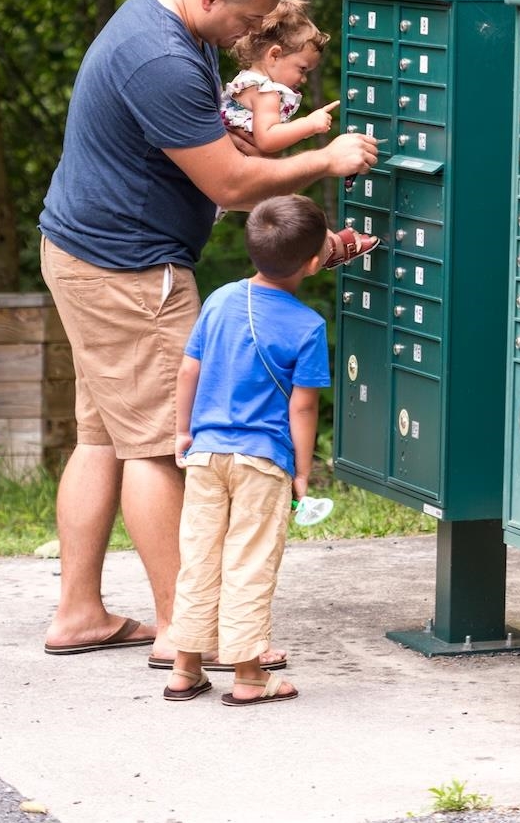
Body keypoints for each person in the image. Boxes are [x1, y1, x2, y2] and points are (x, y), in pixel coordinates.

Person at [38, 0, 378, 668]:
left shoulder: (160, 21)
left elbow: (228, 147)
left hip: (84, 254)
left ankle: (79, 612)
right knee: (167, 443)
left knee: (104, 437)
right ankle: (183, 630)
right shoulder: (161, 57)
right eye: (245, 23)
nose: (250, 39)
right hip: (127, 271)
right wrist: (326, 159)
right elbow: (226, 184)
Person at [162, 194, 329, 706]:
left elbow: (189, 369)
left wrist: (181, 431)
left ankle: (184, 668)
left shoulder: (220, 299)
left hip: (206, 453)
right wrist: (302, 471)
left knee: (200, 558)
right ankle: (250, 677)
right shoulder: (308, 327)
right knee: (249, 562)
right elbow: (302, 409)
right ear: (316, 261)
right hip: (261, 461)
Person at [221, 0, 380, 267]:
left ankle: (328, 248)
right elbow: (267, 139)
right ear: (274, 55)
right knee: (292, 213)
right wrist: (310, 124)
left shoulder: (248, 82)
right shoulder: (266, 91)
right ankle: (325, 250)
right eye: (302, 69)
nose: (303, 79)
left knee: (286, 209)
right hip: (237, 172)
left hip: (227, 173)